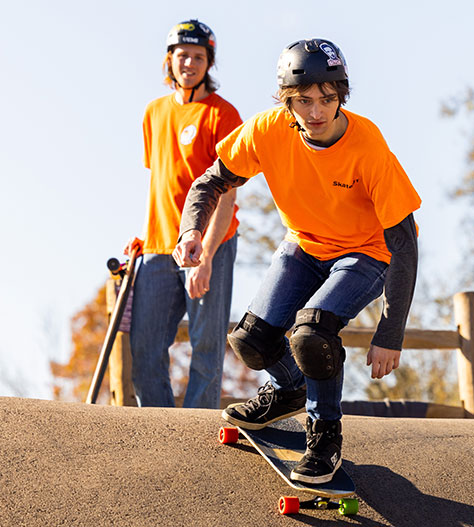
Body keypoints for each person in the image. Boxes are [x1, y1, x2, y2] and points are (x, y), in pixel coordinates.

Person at [172, 38, 421, 484]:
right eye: (303, 101)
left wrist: (391, 331)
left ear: (341, 95)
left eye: (327, 99)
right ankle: (291, 388)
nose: (316, 112)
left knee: (311, 334)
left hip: (366, 251)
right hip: (304, 245)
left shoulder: (369, 147)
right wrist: (191, 230)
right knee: (251, 340)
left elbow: (404, 245)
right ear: (287, 102)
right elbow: (209, 183)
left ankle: (324, 433)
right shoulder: (267, 130)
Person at [125, 20, 242, 408]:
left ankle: (196, 440)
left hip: (212, 245)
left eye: (198, 56)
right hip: (159, 247)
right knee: (144, 349)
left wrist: (207, 255)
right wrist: (145, 233)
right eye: (182, 55)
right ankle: (160, 435)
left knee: (206, 348)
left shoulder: (224, 115)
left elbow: (226, 196)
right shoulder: (153, 113)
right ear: (169, 61)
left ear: (209, 63)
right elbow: (161, 181)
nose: (189, 62)